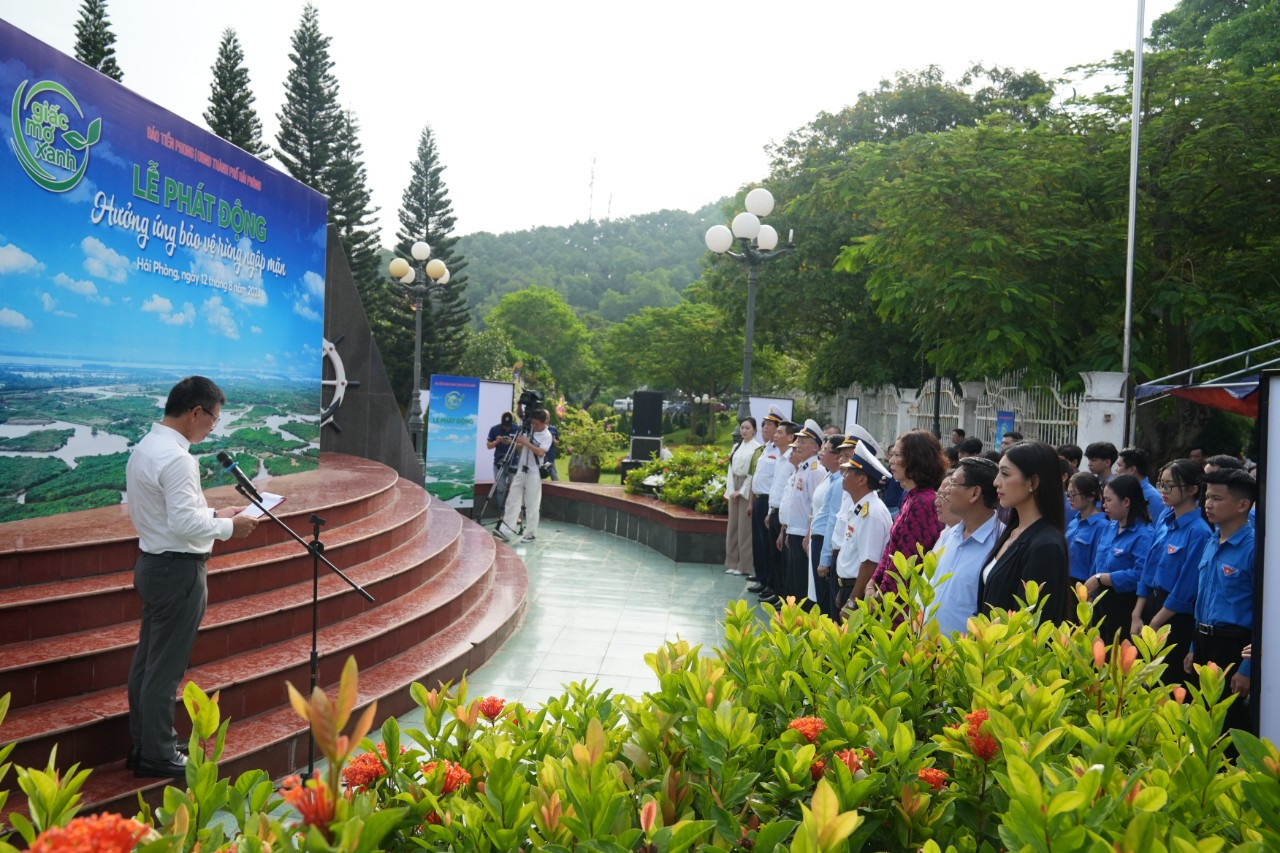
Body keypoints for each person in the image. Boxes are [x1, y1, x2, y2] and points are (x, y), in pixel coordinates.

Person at [126, 376, 259, 780]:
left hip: (153, 562)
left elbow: (174, 517)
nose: (213, 428)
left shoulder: (146, 448)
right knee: (165, 669)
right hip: (179, 570)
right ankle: (158, 755)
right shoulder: (180, 459)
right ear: (196, 412)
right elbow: (184, 524)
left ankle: (146, 742)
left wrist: (217, 515)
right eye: (214, 419)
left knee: (148, 663)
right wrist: (231, 529)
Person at [1184, 468, 1257, 735]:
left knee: (1229, 727)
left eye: (1217, 498)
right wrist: (1194, 645)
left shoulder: (1254, 549)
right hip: (1205, 641)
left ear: (1242, 505)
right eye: (1207, 497)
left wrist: (1248, 668)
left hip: (1234, 646)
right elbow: (1203, 600)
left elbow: (1263, 616)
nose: (1208, 504)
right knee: (1201, 723)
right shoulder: (1212, 540)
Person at [1133, 459, 1210, 686]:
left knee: (1164, 683)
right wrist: (1136, 614)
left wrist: (1155, 624)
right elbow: (1149, 568)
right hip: (1152, 606)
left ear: (1192, 489)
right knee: (1143, 682)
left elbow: (1185, 588)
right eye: (1161, 484)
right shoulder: (1166, 519)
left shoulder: (1199, 532)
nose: (1162, 492)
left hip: (1174, 618)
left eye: (1169, 486)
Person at [977, 441, 1069, 623]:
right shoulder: (1012, 532)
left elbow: (1032, 625)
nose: (996, 482)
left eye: (1005, 474)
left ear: (1033, 482)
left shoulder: (1046, 545)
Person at [869, 430, 948, 600]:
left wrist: (881, 597)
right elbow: (892, 548)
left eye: (897, 455)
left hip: (905, 601)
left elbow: (907, 562)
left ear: (916, 459)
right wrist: (873, 581)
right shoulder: (911, 497)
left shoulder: (923, 503)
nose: (891, 461)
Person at [930, 456, 1003, 635]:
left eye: (953, 484)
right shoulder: (949, 534)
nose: (946, 491)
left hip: (964, 656)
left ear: (974, 493)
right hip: (926, 650)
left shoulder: (1001, 544)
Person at [1084, 474, 1154, 642]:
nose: (1103, 505)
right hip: (1101, 603)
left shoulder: (1144, 535)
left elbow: (1141, 575)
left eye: (1108, 500)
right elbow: (1097, 564)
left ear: (1126, 502)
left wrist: (1102, 578)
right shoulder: (1109, 528)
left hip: (1124, 605)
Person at [832, 442, 894, 613]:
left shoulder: (871, 513)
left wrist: (852, 601)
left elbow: (869, 563)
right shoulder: (861, 507)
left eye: (849, 471)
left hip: (858, 592)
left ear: (862, 479)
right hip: (849, 586)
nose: (844, 474)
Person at [777, 420, 826, 602]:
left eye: (803, 442)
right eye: (798, 441)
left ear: (815, 448)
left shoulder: (815, 471)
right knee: (792, 584)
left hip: (803, 536)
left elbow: (816, 508)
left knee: (801, 587)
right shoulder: (803, 469)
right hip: (794, 531)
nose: (797, 445)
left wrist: (807, 534)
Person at [495, 408, 553, 543]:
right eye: (533, 423)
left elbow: (540, 453)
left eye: (537, 424)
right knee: (512, 498)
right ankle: (506, 530)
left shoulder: (547, 435)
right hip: (521, 469)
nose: (534, 426)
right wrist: (517, 442)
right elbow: (522, 447)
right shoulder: (530, 430)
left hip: (534, 471)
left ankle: (530, 533)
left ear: (544, 422)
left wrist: (527, 442)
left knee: (532, 503)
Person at [807, 434, 846, 617]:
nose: (821, 453)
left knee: (824, 596)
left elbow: (833, 521)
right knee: (819, 592)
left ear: (837, 456)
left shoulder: (839, 482)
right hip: (818, 537)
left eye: (825, 450)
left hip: (824, 540)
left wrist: (825, 559)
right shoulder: (831, 478)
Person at [747, 410, 784, 598]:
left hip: (770, 501)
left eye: (769, 426)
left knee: (769, 546)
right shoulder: (766, 449)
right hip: (760, 500)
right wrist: (751, 502)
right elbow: (757, 477)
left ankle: (770, 582)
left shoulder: (780, 453)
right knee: (759, 543)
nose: (765, 429)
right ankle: (762, 578)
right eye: (764, 425)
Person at [723, 417, 761, 576]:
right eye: (742, 427)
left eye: (747, 428)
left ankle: (744, 565)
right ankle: (731, 562)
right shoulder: (736, 446)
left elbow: (753, 473)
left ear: (754, 430)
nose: (743, 430)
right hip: (735, 485)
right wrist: (732, 489)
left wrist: (742, 491)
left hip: (747, 487)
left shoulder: (757, 448)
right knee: (732, 526)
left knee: (744, 529)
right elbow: (730, 470)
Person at [1065, 473, 1106, 587]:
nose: (1070, 499)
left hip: (1083, 584)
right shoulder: (1074, 521)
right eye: (1068, 494)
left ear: (1091, 496)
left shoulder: (1101, 527)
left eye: (1074, 495)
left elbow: (1096, 564)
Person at [486, 412, 519, 511]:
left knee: (513, 488)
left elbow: (523, 445)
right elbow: (488, 446)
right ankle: (500, 510)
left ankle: (512, 510)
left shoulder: (517, 429)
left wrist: (511, 442)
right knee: (500, 488)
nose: (506, 428)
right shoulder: (494, 429)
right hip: (499, 463)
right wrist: (497, 441)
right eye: (504, 426)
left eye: (508, 426)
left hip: (513, 463)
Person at [1115, 446, 1162, 513]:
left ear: (1132, 469)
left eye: (1119, 465)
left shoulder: (1152, 497)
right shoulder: (1122, 490)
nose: (1116, 470)